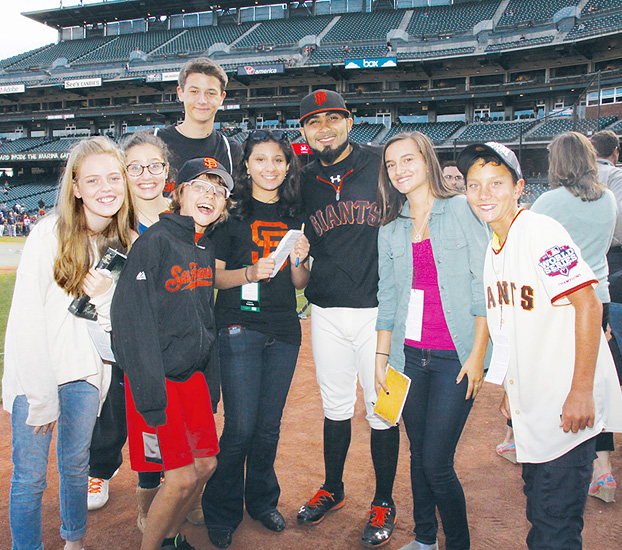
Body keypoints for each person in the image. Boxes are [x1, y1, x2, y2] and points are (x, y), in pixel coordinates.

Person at [460, 141, 622, 550]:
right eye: (474, 184)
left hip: (566, 402)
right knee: (542, 511)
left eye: (496, 183)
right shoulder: (495, 244)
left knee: (554, 528)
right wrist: (510, 390)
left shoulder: (539, 231)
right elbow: (513, 327)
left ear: (519, 189)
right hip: (538, 400)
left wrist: (582, 390)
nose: (484, 194)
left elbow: (588, 305)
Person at [3, 136, 136, 550]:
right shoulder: (47, 234)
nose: (106, 188)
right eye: (92, 179)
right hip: (36, 376)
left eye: (114, 177)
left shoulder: (125, 243)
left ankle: (73, 543)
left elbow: (116, 334)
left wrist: (102, 298)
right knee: (30, 477)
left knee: (77, 467)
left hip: (86, 374)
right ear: (75, 186)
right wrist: (40, 395)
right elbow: (25, 321)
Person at [111, 157, 233, 550]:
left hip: (192, 376)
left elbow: (204, 320)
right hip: (158, 377)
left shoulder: (204, 245)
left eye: (218, 190)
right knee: (180, 477)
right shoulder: (157, 241)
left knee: (206, 465)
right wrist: (149, 394)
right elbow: (130, 320)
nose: (209, 195)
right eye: (200, 186)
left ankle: (172, 537)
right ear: (179, 192)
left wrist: (209, 380)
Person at [296, 89, 400, 548]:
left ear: (349, 121)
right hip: (325, 311)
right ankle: (334, 487)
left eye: (332, 118)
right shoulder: (301, 181)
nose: (324, 127)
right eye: (313, 121)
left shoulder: (381, 163)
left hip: (381, 312)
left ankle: (384, 499)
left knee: (384, 411)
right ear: (303, 132)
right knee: (335, 406)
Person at [375, 133, 489, 550]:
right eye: (391, 164)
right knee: (418, 456)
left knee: (437, 463)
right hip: (408, 358)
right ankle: (425, 540)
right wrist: (382, 358)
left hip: (454, 358)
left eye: (408, 160)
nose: (400, 170)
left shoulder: (460, 210)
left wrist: (477, 356)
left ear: (427, 162)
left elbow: (483, 287)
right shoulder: (391, 226)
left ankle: (457, 543)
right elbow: (387, 297)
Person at [202, 130, 310, 549]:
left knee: (267, 428)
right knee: (241, 428)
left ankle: (262, 501)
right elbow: (212, 276)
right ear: (245, 165)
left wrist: (300, 259)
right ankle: (222, 509)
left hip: (283, 327)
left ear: (288, 166)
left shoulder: (296, 211)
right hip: (238, 326)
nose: (270, 168)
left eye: (278, 160)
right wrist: (250, 273)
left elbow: (300, 281)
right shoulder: (231, 213)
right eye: (260, 159)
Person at [86, 132, 175, 525]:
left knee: (173, 411)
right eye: (134, 167)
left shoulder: (183, 212)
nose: (145, 175)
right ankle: (102, 470)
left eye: (154, 166)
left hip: (174, 335)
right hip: (127, 334)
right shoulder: (113, 222)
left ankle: (171, 481)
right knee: (121, 410)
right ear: (124, 173)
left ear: (166, 169)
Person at [531, 132, 619, 503]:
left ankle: (557, 457)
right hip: (598, 300)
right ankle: (604, 471)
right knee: (592, 382)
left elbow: (527, 249)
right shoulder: (608, 198)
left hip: (560, 305)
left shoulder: (548, 201)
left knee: (556, 384)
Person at [155, 57, 241, 193]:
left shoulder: (231, 150)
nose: (202, 100)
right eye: (194, 91)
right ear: (180, 93)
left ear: (221, 98)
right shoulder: (153, 141)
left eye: (211, 93)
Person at [591, 130, 622, 276]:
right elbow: (619, 213)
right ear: (616, 151)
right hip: (610, 253)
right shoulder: (616, 175)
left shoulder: (579, 174)